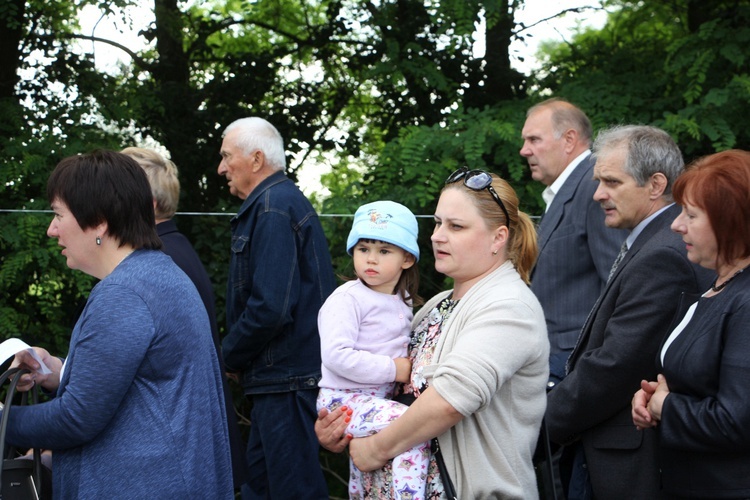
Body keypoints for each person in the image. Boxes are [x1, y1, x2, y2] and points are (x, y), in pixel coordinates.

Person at [7, 150, 233, 498]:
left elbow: (77, 418)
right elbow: (144, 386)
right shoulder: (158, 274)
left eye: (58, 214)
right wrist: (56, 371)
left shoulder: (125, 293)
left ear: (98, 221)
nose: (52, 229)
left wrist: (4, 421)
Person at [317, 167, 550, 498]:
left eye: (456, 226)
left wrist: (375, 450)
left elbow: (448, 402)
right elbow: (388, 387)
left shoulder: (509, 307)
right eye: (438, 223)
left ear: (499, 237)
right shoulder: (435, 305)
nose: (437, 235)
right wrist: (341, 424)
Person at [545, 125, 712, 499]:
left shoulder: (665, 254)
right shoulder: (654, 243)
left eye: (611, 182)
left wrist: (540, 425)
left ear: (655, 185)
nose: (598, 194)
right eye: (597, 181)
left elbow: (617, 365)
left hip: (623, 462)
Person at [217, 117, 336, 499]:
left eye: (225, 157)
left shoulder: (272, 208)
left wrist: (229, 357)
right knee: (262, 488)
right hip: (279, 379)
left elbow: (270, 307)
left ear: (255, 160)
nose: (220, 168)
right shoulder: (275, 203)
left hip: (285, 380)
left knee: (292, 491)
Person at [121, 146, 248, 491]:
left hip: (181, 445)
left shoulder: (158, 259)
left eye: (116, 193)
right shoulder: (173, 248)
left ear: (145, 204)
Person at [632, 149, 750, 498]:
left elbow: (735, 421)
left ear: (730, 221)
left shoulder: (745, 301)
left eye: (691, 215)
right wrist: (654, 396)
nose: (676, 224)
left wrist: (666, 406)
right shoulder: (718, 287)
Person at [316, 200, 427, 499]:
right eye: (364, 249)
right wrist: (395, 368)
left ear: (407, 259)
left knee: (364, 468)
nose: (371, 260)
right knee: (412, 427)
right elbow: (336, 356)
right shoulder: (347, 299)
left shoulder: (403, 301)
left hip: (375, 400)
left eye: (384, 251)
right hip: (344, 400)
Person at [521, 98, 627, 387]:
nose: (524, 150)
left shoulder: (594, 187)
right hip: (554, 360)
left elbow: (618, 284)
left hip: (575, 366)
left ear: (569, 139)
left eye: (534, 139)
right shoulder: (568, 189)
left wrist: (597, 367)